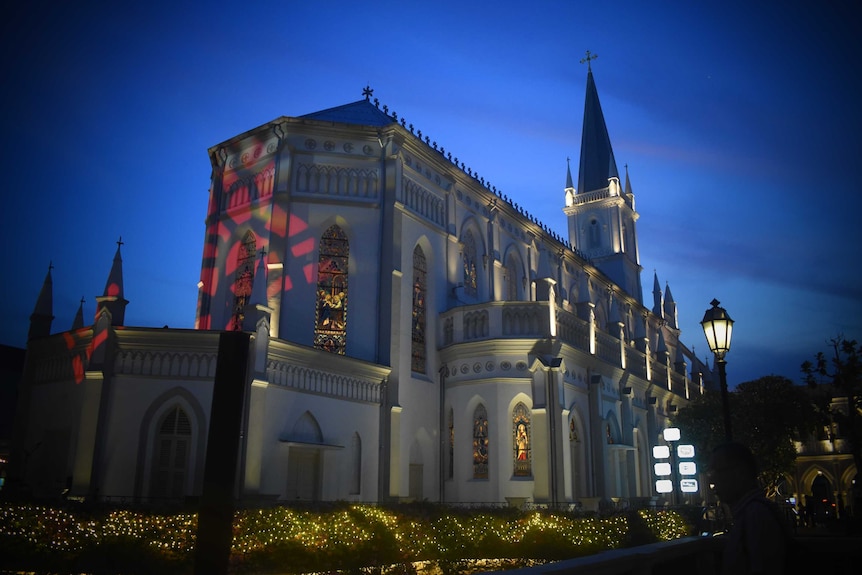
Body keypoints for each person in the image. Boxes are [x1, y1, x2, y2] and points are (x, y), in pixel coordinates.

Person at [709, 442, 789, 575]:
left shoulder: (755, 515)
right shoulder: (751, 513)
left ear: (740, 472)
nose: (712, 479)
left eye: (718, 471)